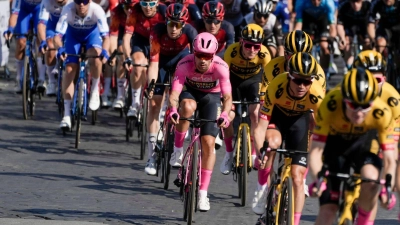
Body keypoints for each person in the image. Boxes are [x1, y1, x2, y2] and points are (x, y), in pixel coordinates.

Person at [308, 67, 395, 225]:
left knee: (371, 179)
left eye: (365, 106)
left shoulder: (382, 111)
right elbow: (315, 151)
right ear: (343, 99)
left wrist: (386, 188)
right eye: (353, 106)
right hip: (335, 145)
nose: (359, 113)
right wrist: (317, 179)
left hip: (364, 145)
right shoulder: (330, 104)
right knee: (328, 211)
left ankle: (363, 220)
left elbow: (390, 159)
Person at [252, 52, 325, 225]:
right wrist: (259, 152)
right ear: (289, 76)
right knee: (271, 145)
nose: (302, 86)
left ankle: (295, 221)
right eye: (297, 80)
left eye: (307, 81)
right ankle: (262, 189)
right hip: (277, 119)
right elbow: (260, 127)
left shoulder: (316, 94)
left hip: (300, 122)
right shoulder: (276, 86)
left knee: (298, 178)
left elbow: (325, 130)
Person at [168, 32, 232, 211]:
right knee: (186, 107)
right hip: (191, 92)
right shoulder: (184, 64)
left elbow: (227, 97)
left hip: (212, 97)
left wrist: (225, 114)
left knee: (208, 143)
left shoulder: (221, 67)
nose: (203, 60)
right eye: (199, 56)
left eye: (207, 56)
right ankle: (178, 150)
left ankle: (203, 193)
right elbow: (174, 94)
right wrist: (173, 110)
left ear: (213, 56)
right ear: (193, 53)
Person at [143, 3, 197, 175]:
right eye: (171, 24)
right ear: (165, 22)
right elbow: (153, 63)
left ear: (184, 24)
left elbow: (195, 63)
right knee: (154, 103)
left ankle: (178, 139)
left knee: (181, 99)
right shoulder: (157, 31)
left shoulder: (190, 32)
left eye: (178, 25)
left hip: (181, 62)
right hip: (161, 62)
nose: (174, 29)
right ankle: (152, 154)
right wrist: (151, 85)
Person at [220, 24, 271, 175]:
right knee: (228, 116)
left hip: (253, 81)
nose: (252, 50)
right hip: (233, 81)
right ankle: (229, 153)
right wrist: (225, 96)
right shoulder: (232, 51)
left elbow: (268, 78)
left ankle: (254, 153)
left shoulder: (265, 54)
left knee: (255, 113)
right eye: (248, 45)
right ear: (241, 42)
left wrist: (262, 95)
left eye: (257, 47)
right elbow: (224, 76)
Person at [353, 50, 398, 211]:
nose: (371, 83)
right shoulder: (345, 90)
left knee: (393, 155)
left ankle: (390, 188)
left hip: (386, 129)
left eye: (377, 79)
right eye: (366, 77)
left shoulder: (392, 97)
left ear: (384, 79)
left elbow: (394, 135)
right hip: (356, 128)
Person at [54, 0, 110, 129]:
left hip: (92, 36)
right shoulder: (67, 10)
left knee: (95, 57)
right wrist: (60, 48)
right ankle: (66, 115)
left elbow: (106, 37)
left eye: (85, 1)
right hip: (73, 38)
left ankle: (95, 89)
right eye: (78, 1)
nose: (81, 5)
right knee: (69, 69)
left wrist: (105, 51)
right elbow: (57, 37)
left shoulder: (97, 10)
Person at [122, 0, 166, 119]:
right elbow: (126, 37)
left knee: (160, 71)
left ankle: (162, 108)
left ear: (157, 3)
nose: (148, 7)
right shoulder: (134, 10)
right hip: (141, 40)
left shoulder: (164, 11)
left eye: (151, 4)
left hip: (159, 41)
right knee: (137, 63)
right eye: (144, 4)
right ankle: (135, 103)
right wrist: (127, 58)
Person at [260, 30, 326, 105]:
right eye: (293, 55)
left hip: (304, 106)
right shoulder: (273, 66)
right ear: (285, 54)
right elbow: (264, 97)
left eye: (303, 55)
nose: (298, 59)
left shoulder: (318, 72)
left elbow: (320, 105)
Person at [4, 0, 43, 93]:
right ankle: (18, 78)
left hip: (40, 10)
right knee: (21, 42)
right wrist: (10, 29)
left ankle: (41, 79)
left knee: (40, 40)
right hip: (24, 11)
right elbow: (14, 14)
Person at [37, 0, 71, 96]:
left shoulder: (74, 2)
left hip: (70, 28)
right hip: (53, 27)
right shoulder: (47, 2)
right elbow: (41, 24)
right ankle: (52, 82)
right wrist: (43, 41)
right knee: (50, 46)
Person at [294, 0, 336, 74]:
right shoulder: (301, 2)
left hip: (322, 20)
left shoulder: (328, 3)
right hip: (308, 20)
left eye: (319, 0)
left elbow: (332, 26)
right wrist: (295, 36)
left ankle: (324, 72)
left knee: (325, 47)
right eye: (313, 0)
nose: (316, 2)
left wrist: (332, 38)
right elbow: (299, 24)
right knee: (305, 46)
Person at [109, 0, 138, 109]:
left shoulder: (139, 10)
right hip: (122, 32)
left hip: (138, 33)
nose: (128, 9)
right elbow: (113, 36)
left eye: (131, 6)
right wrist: (113, 54)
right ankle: (120, 95)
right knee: (121, 55)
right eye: (125, 6)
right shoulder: (116, 12)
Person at [337, 0, 372, 69]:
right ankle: (349, 67)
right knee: (347, 44)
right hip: (350, 25)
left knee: (367, 44)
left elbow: (372, 23)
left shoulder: (368, 6)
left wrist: (370, 38)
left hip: (364, 26)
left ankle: (367, 65)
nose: (355, 5)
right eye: (353, 2)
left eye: (358, 2)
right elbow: (339, 25)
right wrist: (342, 38)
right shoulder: (344, 6)